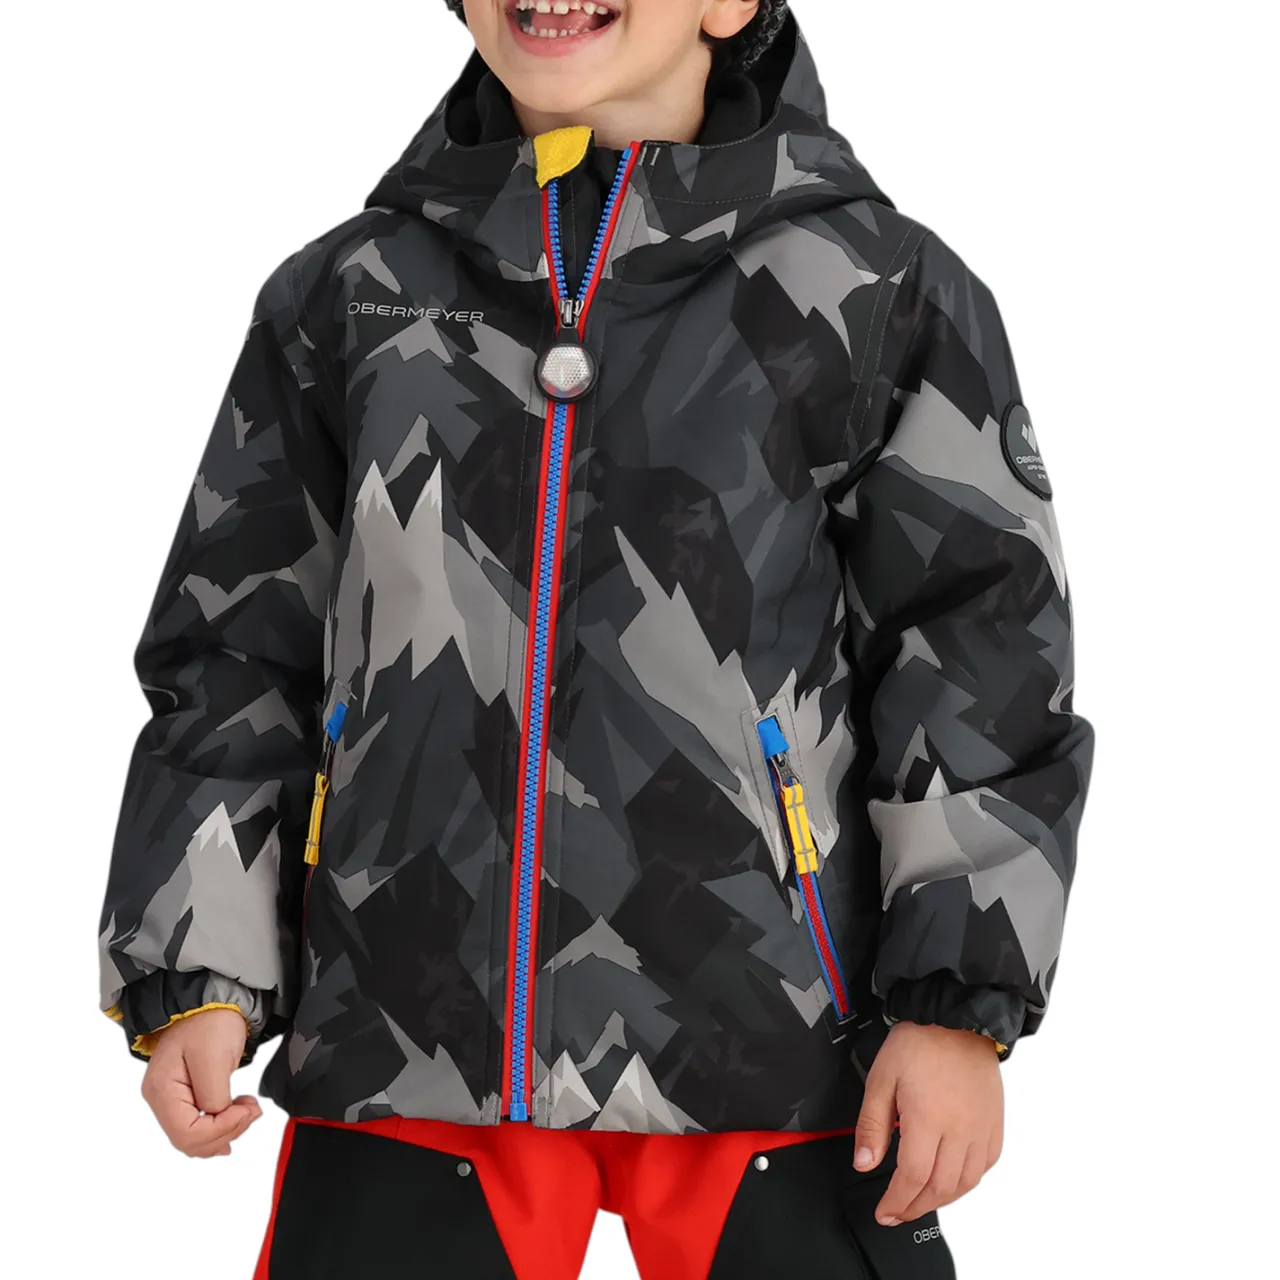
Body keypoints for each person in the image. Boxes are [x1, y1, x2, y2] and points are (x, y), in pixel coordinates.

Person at [96, 2, 1094, 1277]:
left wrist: (955, 1005)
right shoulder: (349, 296)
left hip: (771, 1029)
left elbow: (975, 644)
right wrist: (201, 961)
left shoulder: (873, 290)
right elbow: (237, 644)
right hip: (410, 1023)